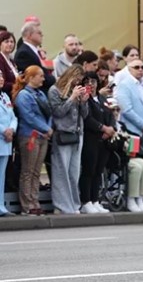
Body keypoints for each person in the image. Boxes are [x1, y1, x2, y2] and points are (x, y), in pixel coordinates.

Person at [48, 65, 88, 214]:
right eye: (77, 79)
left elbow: (84, 115)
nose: (78, 82)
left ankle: (74, 204)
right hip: (63, 133)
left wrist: (83, 101)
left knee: (74, 172)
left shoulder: (75, 90)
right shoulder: (54, 90)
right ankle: (61, 205)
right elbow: (58, 112)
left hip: (78, 133)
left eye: (80, 80)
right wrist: (72, 98)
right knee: (61, 171)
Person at [14, 67, 51, 215]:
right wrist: (45, 128)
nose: (43, 79)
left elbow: (49, 112)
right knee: (28, 171)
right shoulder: (24, 95)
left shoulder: (40, 94)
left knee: (36, 171)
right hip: (30, 135)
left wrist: (48, 127)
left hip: (42, 136)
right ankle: (27, 204)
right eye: (40, 76)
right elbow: (28, 116)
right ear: (31, 78)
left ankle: (35, 200)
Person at [79, 71, 114, 213]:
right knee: (89, 170)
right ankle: (86, 201)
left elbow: (110, 113)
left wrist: (111, 128)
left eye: (93, 82)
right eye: (87, 82)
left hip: (104, 140)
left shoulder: (101, 98)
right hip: (91, 138)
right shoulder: (85, 99)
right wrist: (102, 128)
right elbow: (88, 119)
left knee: (98, 170)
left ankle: (95, 200)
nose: (90, 85)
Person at [0, 72, 17, 216]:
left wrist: (12, 129)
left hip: (6, 142)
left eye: (1, 76)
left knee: (1, 176)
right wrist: (4, 130)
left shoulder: (5, 97)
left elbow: (13, 116)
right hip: (1, 136)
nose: (1, 79)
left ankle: (1, 205)